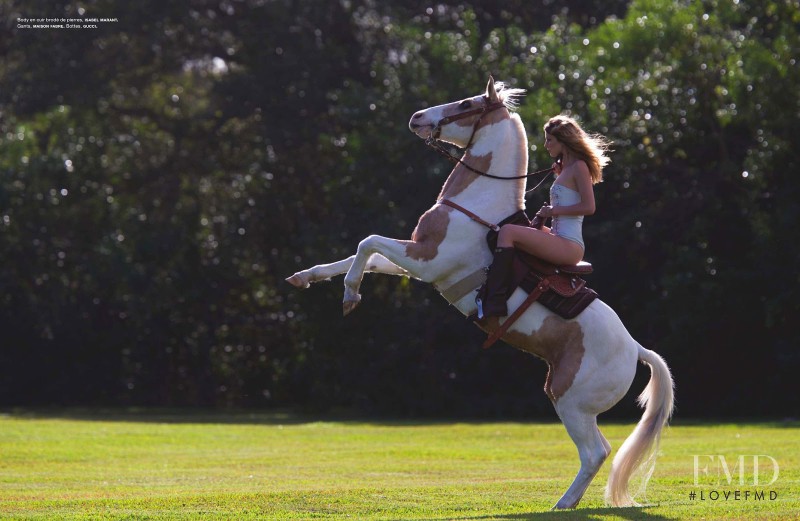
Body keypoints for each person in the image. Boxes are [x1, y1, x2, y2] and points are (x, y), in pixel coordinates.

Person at [478, 115, 611, 318]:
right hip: (559, 237)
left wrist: (552, 212)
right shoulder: (567, 169)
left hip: (569, 245)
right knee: (514, 227)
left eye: (550, 140)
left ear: (563, 141)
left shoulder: (579, 167)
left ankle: (494, 301)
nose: (545, 144)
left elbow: (589, 206)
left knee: (507, 232)